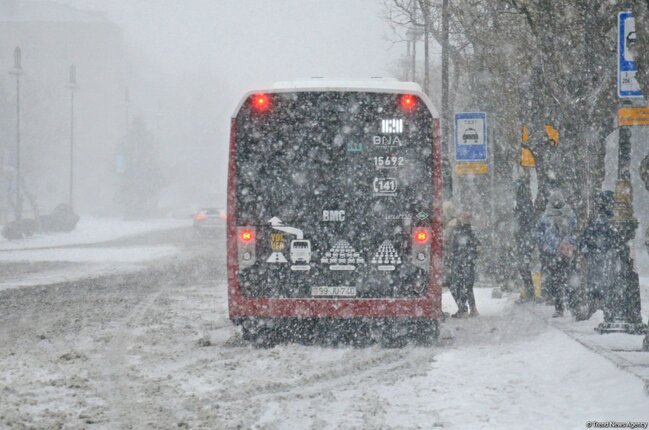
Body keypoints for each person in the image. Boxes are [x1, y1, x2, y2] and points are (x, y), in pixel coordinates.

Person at [534, 189, 577, 317]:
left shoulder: (547, 216)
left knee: (561, 280)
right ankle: (564, 306)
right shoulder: (568, 214)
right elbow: (538, 233)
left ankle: (565, 306)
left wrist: (563, 243)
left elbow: (538, 233)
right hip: (557, 253)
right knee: (561, 280)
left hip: (558, 253)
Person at [578, 191, 616, 321]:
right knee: (603, 282)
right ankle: (602, 307)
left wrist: (587, 251)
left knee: (596, 283)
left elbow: (586, 239)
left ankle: (596, 306)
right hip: (605, 257)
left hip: (597, 257)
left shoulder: (598, 221)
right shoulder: (611, 222)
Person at [448, 211, 481, 317]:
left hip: (461, 263)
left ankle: (463, 309)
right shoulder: (471, 232)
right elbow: (477, 248)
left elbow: (455, 248)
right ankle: (471, 309)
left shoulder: (460, 231)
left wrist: (457, 258)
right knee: (467, 286)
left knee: (456, 285)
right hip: (468, 263)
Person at [513, 177, 536, 302]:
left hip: (524, 238)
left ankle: (529, 291)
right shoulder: (525, 203)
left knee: (523, 265)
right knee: (524, 265)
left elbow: (522, 221)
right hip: (525, 238)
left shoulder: (523, 204)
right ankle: (529, 290)